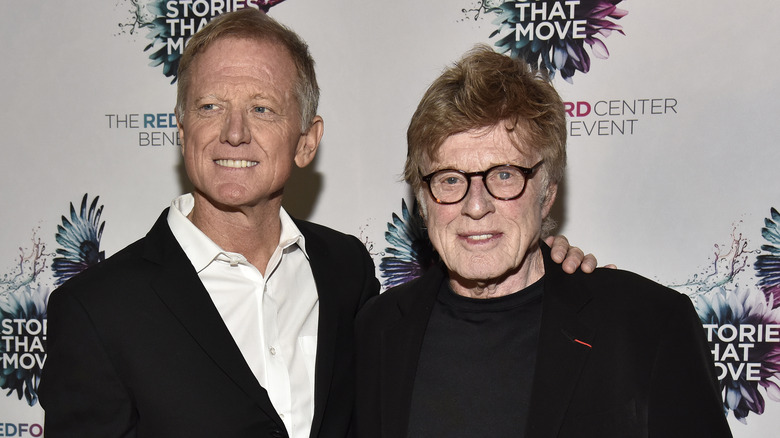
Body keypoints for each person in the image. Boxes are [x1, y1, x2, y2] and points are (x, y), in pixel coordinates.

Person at [38, 9, 595, 438]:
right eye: (209, 107)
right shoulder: (97, 310)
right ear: (181, 131)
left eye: (263, 108)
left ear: (307, 141)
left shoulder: (345, 271)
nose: (234, 132)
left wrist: (552, 270)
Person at [354, 46, 732, 438]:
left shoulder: (646, 323)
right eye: (450, 179)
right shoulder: (376, 331)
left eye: (504, 175)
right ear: (422, 200)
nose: (476, 206)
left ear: (548, 191)